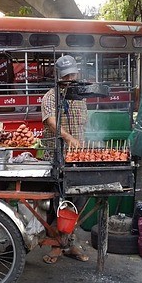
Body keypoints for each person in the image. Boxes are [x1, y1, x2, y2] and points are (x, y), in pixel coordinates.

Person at [40, 55, 89, 264]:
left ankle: (68, 241)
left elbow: (85, 124)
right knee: (58, 201)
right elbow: (51, 122)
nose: (70, 79)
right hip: (56, 157)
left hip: (77, 158)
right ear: (58, 77)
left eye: (73, 74)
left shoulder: (80, 97)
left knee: (79, 199)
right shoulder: (50, 97)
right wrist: (68, 138)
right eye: (66, 76)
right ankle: (57, 243)